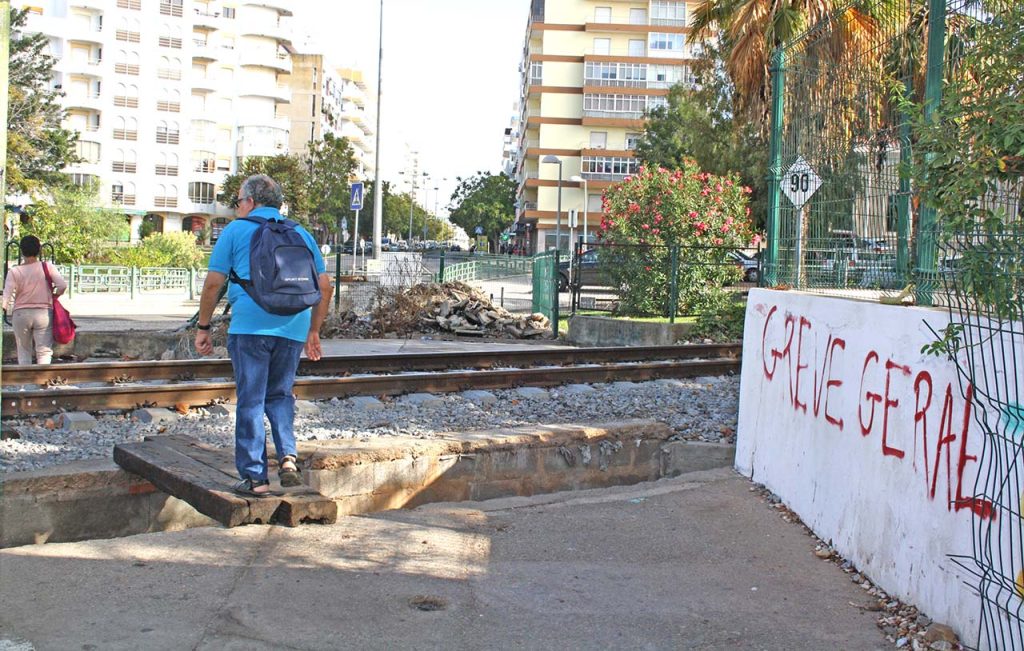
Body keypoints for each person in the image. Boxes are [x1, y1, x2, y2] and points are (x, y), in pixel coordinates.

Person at [194, 175, 333, 497]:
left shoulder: (236, 230)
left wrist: (203, 327)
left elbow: (214, 283)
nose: (238, 207)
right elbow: (324, 287)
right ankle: (287, 457)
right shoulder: (301, 233)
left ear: (251, 202)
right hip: (293, 326)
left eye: (239, 202)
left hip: (250, 327)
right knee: (281, 394)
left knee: (251, 401)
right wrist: (313, 329)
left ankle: (256, 479)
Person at [2, 235, 67, 365]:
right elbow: (62, 286)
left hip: (21, 314)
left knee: (23, 350)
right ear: (39, 250)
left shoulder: (14, 271)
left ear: (21, 251)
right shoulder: (47, 267)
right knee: (43, 351)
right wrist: (55, 296)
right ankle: (42, 383)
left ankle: (25, 384)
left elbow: (5, 299)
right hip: (43, 313)